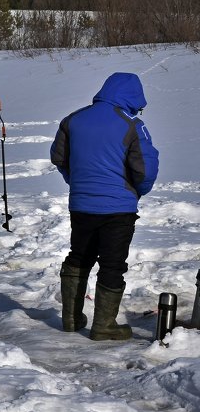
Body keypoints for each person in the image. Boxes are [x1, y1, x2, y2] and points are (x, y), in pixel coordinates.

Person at [51, 72, 159, 341]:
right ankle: (104, 326)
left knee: (79, 256)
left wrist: (77, 184)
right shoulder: (132, 124)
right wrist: (134, 192)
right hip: (118, 208)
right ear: (134, 97)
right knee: (112, 264)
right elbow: (145, 170)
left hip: (81, 204)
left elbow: (59, 158)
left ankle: (71, 318)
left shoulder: (73, 119)